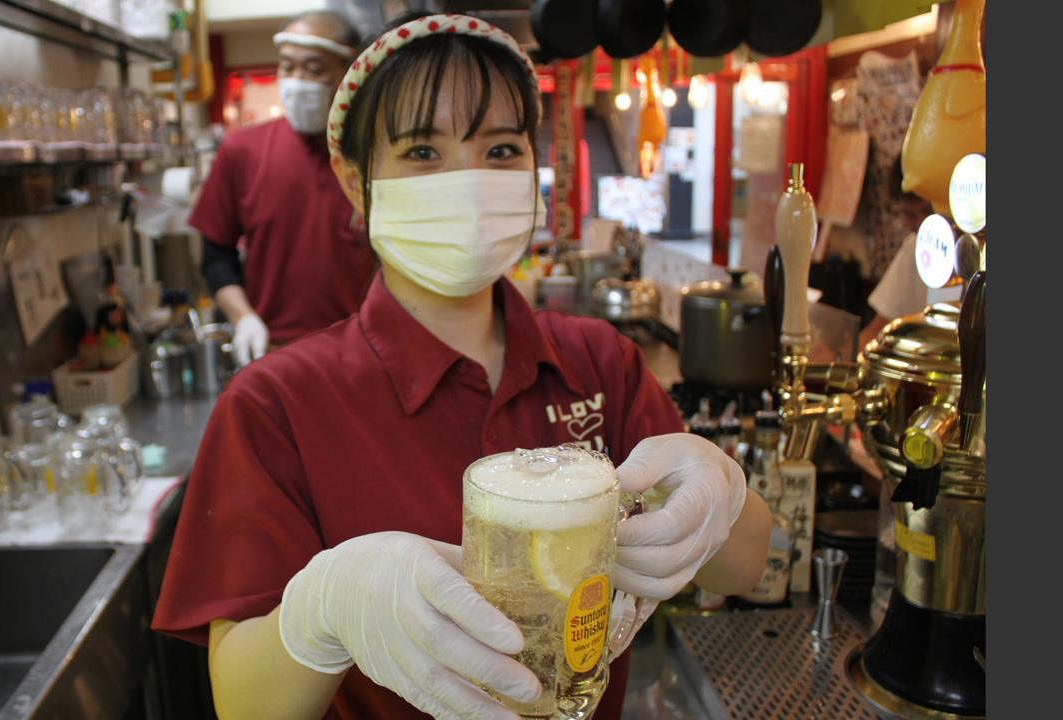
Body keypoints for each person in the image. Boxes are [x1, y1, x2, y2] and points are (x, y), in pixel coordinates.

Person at [152, 13, 770, 720]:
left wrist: (721, 492)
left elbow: (747, 566)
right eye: (422, 151)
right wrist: (322, 610)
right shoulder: (275, 405)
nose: (470, 181)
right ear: (354, 181)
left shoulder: (601, 362)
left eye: (500, 149)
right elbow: (242, 705)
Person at [189, 10, 376, 366]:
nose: (297, 81)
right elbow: (216, 257)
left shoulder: (376, 154)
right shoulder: (242, 150)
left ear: (350, 74)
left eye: (314, 69)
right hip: (273, 352)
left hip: (364, 354)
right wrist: (242, 318)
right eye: (288, 67)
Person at [858, 155, 969, 347]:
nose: (921, 224)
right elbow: (876, 332)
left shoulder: (972, 249)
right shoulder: (915, 245)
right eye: (909, 215)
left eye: (928, 211)